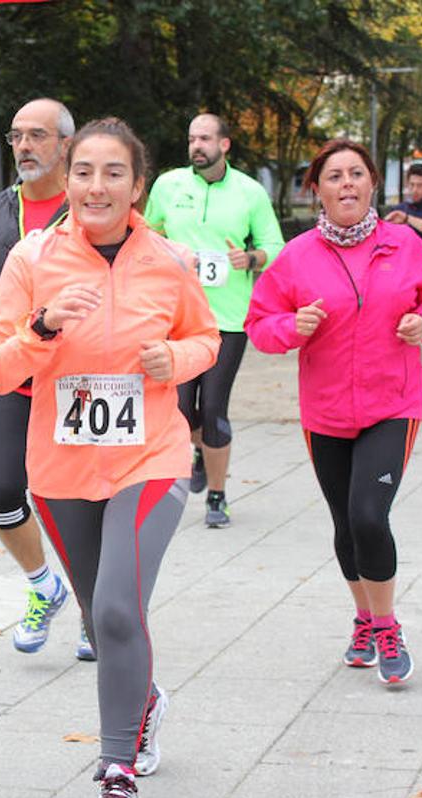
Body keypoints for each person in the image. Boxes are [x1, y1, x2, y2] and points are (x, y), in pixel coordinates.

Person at [0, 117, 220, 798]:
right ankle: (142, 701)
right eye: (83, 171)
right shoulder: (32, 260)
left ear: (136, 186)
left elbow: (206, 337)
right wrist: (44, 327)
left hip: (151, 457)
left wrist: (173, 363)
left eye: (113, 173)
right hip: (61, 467)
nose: (96, 186)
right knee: (98, 612)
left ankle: (116, 772)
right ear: (68, 176)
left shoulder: (170, 260)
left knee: (118, 609)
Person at [245, 139, 422, 687]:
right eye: (335, 176)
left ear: (371, 184)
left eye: (356, 174)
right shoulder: (297, 256)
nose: (347, 184)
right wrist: (291, 328)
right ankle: (363, 617)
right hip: (325, 411)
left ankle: (387, 626)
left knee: (369, 515)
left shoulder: (404, 243)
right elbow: (260, 324)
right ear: (316, 188)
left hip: (393, 403)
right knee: (345, 522)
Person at [0, 98, 78, 656]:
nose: (25, 146)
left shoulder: (89, 207)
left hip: (76, 379)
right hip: (12, 371)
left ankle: (98, 608)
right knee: (2, 494)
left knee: (74, 500)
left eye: (37, 135)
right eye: (16, 136)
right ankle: (42, 585)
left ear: (66, 145)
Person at [143, 113, 284, 527]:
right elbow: (147, 233)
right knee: (184, 411)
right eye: (191, 139)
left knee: (215, 407)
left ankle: (217, 497)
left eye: (204, 138)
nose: (195, 146)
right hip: (176, 318)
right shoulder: (168, 185)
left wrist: (251, 257)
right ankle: (200, 451)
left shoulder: (249, 191)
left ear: (225, 144)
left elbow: (275, 244)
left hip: (228, 319)